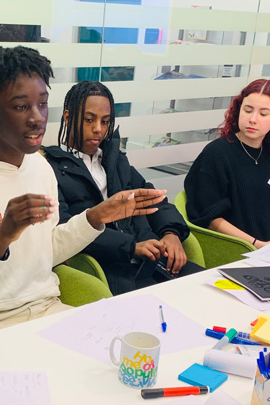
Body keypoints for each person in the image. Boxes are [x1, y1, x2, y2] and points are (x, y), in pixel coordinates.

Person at [0, 45, 166, 336]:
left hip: (48, 310)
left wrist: (95, 217)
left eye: (42, 103)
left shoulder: (39, 167)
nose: (37, 117)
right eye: (20, 107)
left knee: (132, 343)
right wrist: (1, 238)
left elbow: (47, 252)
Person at [44, 81, 200, 295]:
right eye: (89, 120)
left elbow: (154, 199)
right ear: (68, 118)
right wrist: (132, 247)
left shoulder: (114, 160)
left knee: (209, 290)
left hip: (154, 262)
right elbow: (65, 229)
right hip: (111, 270)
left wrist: (171, 232)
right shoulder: (51, 168)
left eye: (105, 121)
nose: (98, 129)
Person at [184, 78, 270, 248]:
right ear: (238, 110)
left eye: (263, 114)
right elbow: (210, 217)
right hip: (234, 247)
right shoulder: (217, 154)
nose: (253, 119)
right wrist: (257, 245)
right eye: (248, 110)